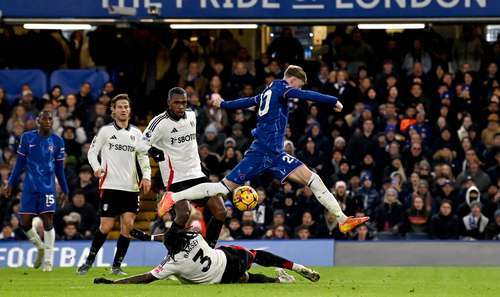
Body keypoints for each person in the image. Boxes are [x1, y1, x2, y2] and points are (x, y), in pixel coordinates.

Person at [158, 65, 368, 233]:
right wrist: (333, 101)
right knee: (223, 188)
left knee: (313, 179)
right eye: (299, 86)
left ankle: (342, 219)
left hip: (276, 154)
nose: (299, 90)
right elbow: (306, 96)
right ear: (292, 80)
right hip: (261, 152)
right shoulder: (282, 87)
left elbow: (248, 101)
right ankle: (173, 197)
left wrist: (223, 104)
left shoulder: (269, 91)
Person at [136, 87, 227, 248]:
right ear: (169, 103)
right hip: (175, 177)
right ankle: (170, 247)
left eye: (183, 102)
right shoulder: (159, 122)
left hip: (197, 174)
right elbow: (140, 145)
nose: (180, 106)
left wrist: (200, 166)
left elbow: (191, 144)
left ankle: (209, 249)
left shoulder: (192, 115)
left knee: (221, 211)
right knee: (183, 214)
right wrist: (154, 151)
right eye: (176, 103)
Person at [78, 94, 151, 275]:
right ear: (113, 110)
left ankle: (117, 266)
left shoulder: (137, 133)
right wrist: (96, 168)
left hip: (131, 188)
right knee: (106, 227)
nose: (123, 110)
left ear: (130, 110)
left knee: (127, 226)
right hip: (110, 186)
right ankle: (89, 261)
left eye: (126, 106)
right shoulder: (105, 131)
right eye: (120, 107)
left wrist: (147, 176)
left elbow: (143, 157)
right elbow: (92, 153)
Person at [94, 229, 319, 285]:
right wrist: (150, 237)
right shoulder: (194, 235)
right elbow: (171, 236)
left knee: (246, 280)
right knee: (257, 255)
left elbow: (144, 279)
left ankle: (279, 281)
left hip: (222, 278)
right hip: (230, 258)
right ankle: (296, 268)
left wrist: (113, 282)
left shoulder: (173, 264)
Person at [5, 110, 69, 271]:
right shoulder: (27, 137)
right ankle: (39, 247)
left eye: (50, 118)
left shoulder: (58, 141)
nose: (48, 121)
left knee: (48, 222)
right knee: (24, 222)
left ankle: (48, 262)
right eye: (44, 118)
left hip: (48, 187)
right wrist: (10, 183)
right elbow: (19, 164)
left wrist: (65, 189)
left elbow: (60, 169)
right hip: (29, 187)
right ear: (37, 121)